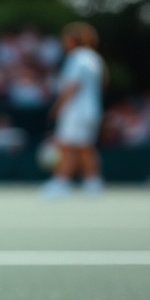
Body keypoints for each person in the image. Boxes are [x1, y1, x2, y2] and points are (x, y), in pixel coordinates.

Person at [40, 22, 107, 198]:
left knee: (67, 147)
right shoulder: (94, 58)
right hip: (92, 110)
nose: (64, 43)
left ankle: (60, 184)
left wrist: (57, 107)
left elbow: (72, 87)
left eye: (65, 39)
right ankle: (93, 184)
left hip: (75, 111)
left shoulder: (76, 57)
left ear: (72, 40)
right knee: (86, 148)